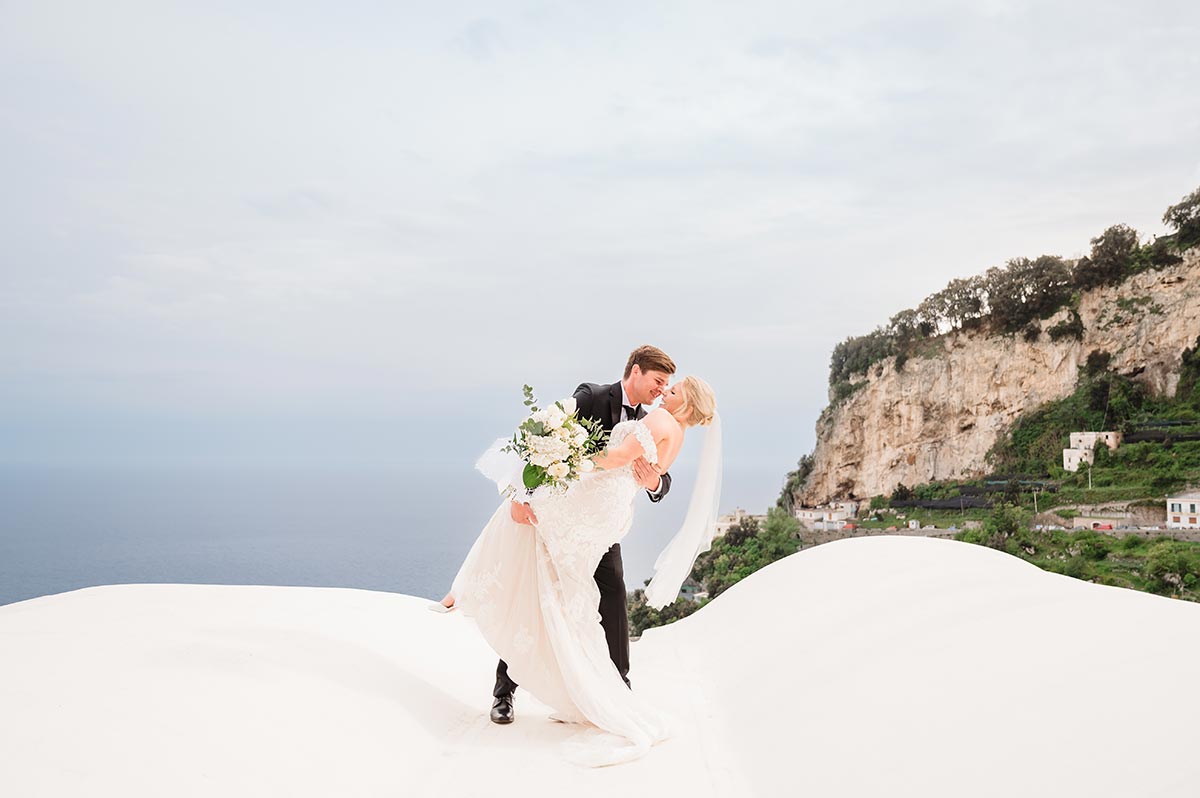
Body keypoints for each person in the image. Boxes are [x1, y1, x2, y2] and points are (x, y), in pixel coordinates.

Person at [443, 366, 720, 766]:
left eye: (671, 388)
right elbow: (543, 438)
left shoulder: (655, 418)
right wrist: (545, 472)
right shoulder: (594, 397)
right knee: (538, 562)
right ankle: (513, 688)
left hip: (592, 507)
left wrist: (571, 461)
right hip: (599, 509)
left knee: (588, 587)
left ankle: (612, 687)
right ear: (635, 371)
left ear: (686, 402)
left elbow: (638, 467)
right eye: (660, 383)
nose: (663, 391)